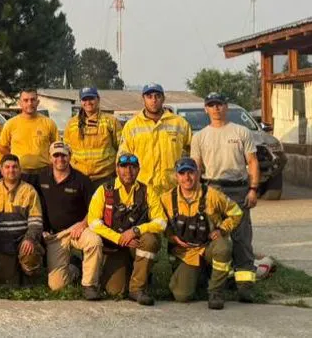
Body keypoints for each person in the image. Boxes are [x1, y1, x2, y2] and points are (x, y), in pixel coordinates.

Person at [190, 92, 260, 302]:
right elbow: (196, 167)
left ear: (226, 106)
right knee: (212, 237)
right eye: (211, 105)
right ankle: (213, 282)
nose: (216, 108)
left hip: (238, 190)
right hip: (212, 189)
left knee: (241, 239)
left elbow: (253, 162)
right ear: (206, 109)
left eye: (219, 104)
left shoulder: (241, 132)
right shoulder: (199, 136)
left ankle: (244, 286)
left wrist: (253, 189)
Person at [162, 158, 243, 310]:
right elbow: (160, 224)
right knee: (181, 295)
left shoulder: (212, 195)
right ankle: (201, 275)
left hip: (208, 246)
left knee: (223, 248)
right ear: (176, 176)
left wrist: (222, 229)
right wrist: (171, 236)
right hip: (186, 252)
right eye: (182, 173)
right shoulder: (166, 199)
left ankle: (216, 292)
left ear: (198, 174)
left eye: (191, 173)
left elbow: (237, 213)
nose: (187, 178)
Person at [88, 154, 166, 306]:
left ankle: (138, 289)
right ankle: (135, 272)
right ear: (117, 168)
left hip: (138, 242)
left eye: (133, 167)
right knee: (114, 290)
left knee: (150, 240)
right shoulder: (104, 190)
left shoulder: (148, 191)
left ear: (138, 169)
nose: (128, 171)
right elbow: (93, 222)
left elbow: (161, 222)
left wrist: (136, 230)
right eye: (123, 167)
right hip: (115, 246)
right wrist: (119, 238)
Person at [35, 142, 102, 299]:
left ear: (70, 156)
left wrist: (83, 224)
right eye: (56, 155)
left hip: (77, 230)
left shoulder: (82, 180)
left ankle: (90, 285)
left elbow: (94, 209)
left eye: (64, 155)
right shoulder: (40, 178)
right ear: (50, 157)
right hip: (55, 235)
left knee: (95, 241)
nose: (60, 159)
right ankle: (75, 267)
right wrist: (42, 229)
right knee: (57, 286)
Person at [119, 83, 192, 198]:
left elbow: (192, 153)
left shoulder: (179, 123)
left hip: (172, 189)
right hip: (142, 190)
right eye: (149, 96)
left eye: (157, 96)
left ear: (163, 98)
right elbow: (122, 159)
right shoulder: (131, 126)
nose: (154, 100)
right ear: (143, 98)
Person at [0, 154, 44, 286]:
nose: (11, 170)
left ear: (20, 170)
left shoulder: (29, 190)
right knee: (8, 283)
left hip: (23, 240)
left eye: (15, 167)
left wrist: (30, 238)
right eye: (7, 167)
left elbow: (36, 220)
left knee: (30, 254)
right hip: (2, 243)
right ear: (1, 170)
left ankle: (31, 281)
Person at [0, 88, 59, 183]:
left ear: (38, 102)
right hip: (19, 174)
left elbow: (57, 148)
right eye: (26, 100)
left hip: (44, 174)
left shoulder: (49, 123)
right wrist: (13, 159)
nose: (29, 103)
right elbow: (1, 146)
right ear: (20, 103)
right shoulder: (11, 124)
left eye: (32, 100)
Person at [64, 87, 121, 190]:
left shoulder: (111, 121)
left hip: (105, 177)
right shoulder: (71, 124)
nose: (88, 102)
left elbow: (121, 148)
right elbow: (67, 150)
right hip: (78, 178)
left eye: (91, 98)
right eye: (85, 99)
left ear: (98, 99)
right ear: (81, 102)